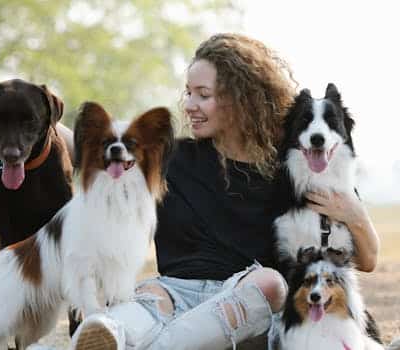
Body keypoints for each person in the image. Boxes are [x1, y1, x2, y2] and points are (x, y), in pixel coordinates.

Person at [70, 33, 380, 350]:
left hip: (249, 306)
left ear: (240, 100)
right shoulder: (170, 158)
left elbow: (368, 259)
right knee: (150, 297)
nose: (189, 105)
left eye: (203, 95)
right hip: (177, 293)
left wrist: (354, 214)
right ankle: (109, 333)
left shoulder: (293, 168)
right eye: (188, 93)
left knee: (270, 283)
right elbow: (91, 149)